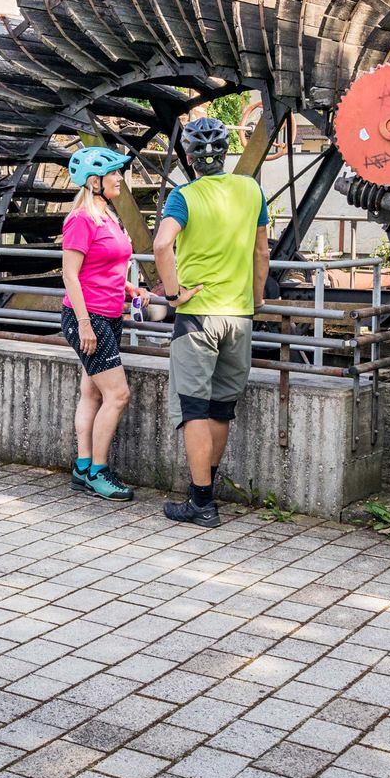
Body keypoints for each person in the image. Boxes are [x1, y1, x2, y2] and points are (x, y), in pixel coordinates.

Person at [152, 116, 269, 526]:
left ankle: (201, 503)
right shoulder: (251, 189)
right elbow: (261, 254)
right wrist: (255, 299)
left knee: (193, 408)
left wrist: (171, 294)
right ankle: (206, 490)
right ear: (225, 154)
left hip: (198, 317)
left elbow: (162, 244)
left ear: (189, 157)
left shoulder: (184, 196)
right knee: (221, 408)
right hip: (239, 316)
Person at [58, 146, 148, 501]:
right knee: (118, 394)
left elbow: (104, 266)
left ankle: (82, 466)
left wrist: (129, 288)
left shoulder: (107, 215)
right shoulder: (81, 219)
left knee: (92, 391)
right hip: (88, 317)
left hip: (109, 313)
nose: (120, 179)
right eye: (115, 174)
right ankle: (98, 470)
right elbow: (70, 274)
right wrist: (83, 324)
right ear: (94, 182)